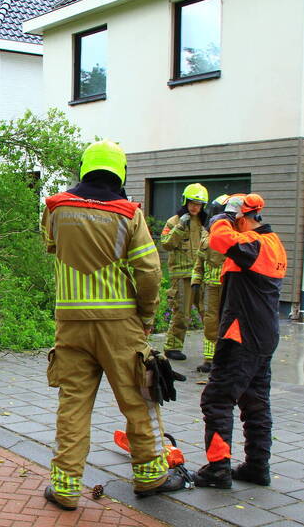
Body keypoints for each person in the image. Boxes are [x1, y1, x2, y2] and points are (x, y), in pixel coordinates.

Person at [41, 140, 193, 508]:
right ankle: (150, 476)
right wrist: (145, 316)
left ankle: (64, 487)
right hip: (119, 324)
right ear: (120, 172)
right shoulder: (129, 214)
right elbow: (150, 270)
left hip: (71, 322)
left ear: (84, 169)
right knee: (140, 400)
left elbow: (52, 249)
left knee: (73, 404)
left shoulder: (55, 208)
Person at [193, 193, 287, 489]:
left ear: (242, 218)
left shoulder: (253, 245)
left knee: (217, 399)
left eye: (234, 219)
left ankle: (218, 469)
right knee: (256, 403)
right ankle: (258, 467)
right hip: (263, 334)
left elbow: (220, 240)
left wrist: (224, 215)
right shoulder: (271, 243)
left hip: (240, 336)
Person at [160, 184, 209, 360]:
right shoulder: (174, 221)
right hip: (182, 275)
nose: (195, 207)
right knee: (182, 313)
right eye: (192, 203)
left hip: (202, 275)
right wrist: (181, 226)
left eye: (199, 204)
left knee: (207, 312)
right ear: (185, 202)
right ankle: (172, 348)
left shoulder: (206, 223)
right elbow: (166, 244)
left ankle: (214, 350)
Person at [192, 194, 229, 373]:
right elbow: (199, 263)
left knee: (228, 322)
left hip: (229, 286)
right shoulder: (206, 235)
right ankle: (209, 359)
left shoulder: (234, 236)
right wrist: (195, 282)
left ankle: (225, 358)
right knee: (210, 322)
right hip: (210, 287)